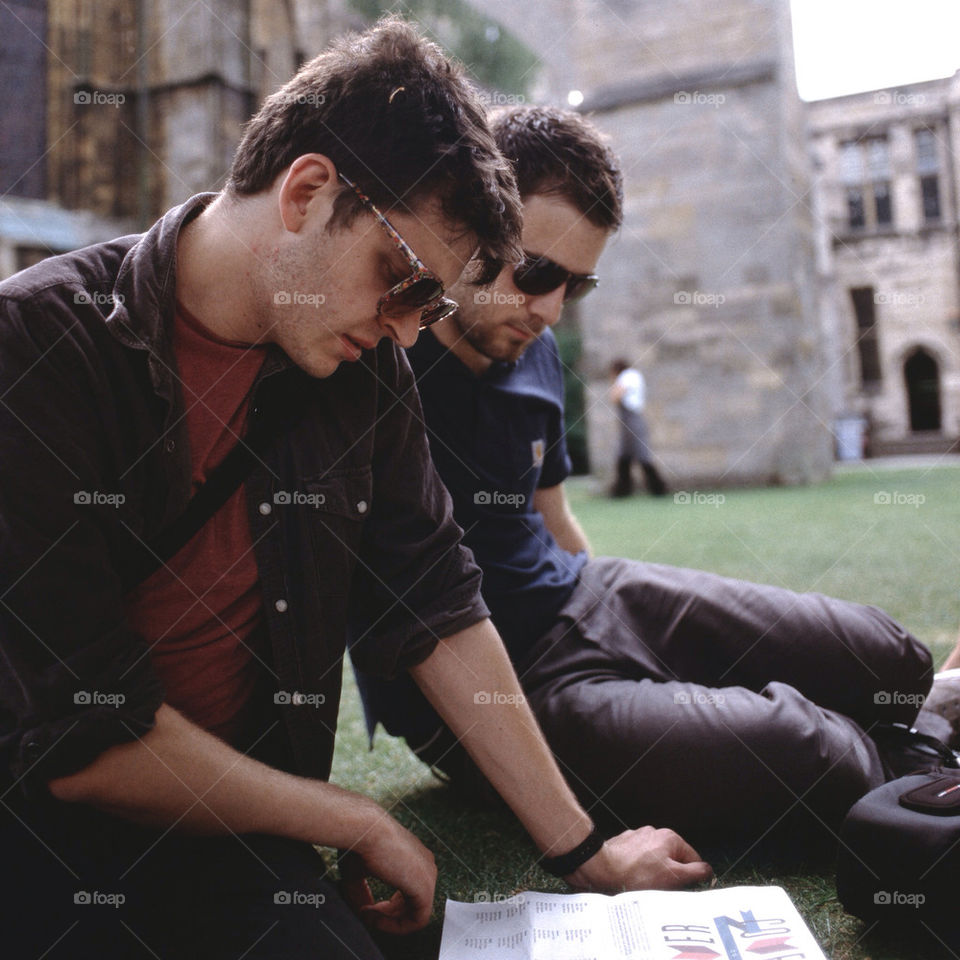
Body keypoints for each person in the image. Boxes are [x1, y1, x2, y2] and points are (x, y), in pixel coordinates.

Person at [0, 25, 712, 960]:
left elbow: (437, 604)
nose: (409, 335)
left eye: (430, 304)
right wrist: (352, 819)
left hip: (242, 836)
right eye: (402, 281)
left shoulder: (364, 367)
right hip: (44, 835)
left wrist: (581, 849)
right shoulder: (42, 346)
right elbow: (83, 737)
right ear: (306, 192)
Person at [353, 104, 958, 857]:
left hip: (585, 595)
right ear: (471, 223)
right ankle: (922, 753)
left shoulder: (529, 341)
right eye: (535, 272)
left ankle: (914, 737)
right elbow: (405, 614)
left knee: (890, 656)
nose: (549, 310)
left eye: (576, 286)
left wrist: (636, 624)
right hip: (488, 689)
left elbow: (551, 514)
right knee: (818, 756)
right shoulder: (377, 364)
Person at [608, 357, 667, 496]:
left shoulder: (625, 376)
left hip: (631, 420)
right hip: (632, 419)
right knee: (624, 455)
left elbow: (615, 397)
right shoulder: (635, 375)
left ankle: (658, 488)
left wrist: (614, 384)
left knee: (641, 454)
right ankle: (622, 490)